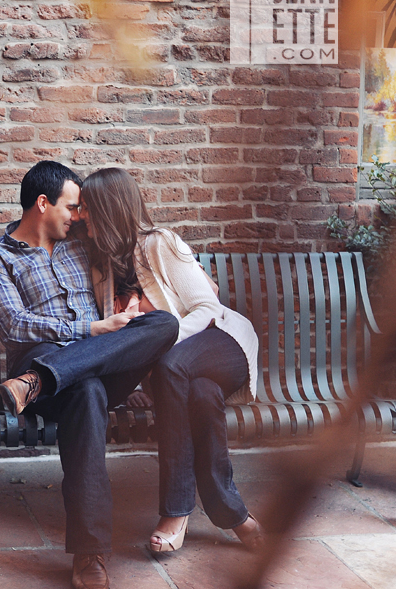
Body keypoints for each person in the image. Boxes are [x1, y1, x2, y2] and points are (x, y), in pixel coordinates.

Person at [0, 161, 180, 589]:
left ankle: (40, 380)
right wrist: (88, 330)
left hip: (83, 368)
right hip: (48, 360)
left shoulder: (84, 245)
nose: (79, 215)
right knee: (85, 391)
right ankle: (90, 555)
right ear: (43, 204)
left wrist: (147, 298)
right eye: (72, 206)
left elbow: (138, 275)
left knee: (165, 324)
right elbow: (13, 325)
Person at [79, 167, 266, 553]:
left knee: (173, 366)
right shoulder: (103, 270)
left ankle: (176, 512)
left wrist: (165, 342)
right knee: (200, 395)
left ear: (109, 209)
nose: (81, 216)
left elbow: (206, 307)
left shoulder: (158, 244)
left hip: (221, 339)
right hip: (181, 374)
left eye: (86, 207)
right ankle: (232, 513)